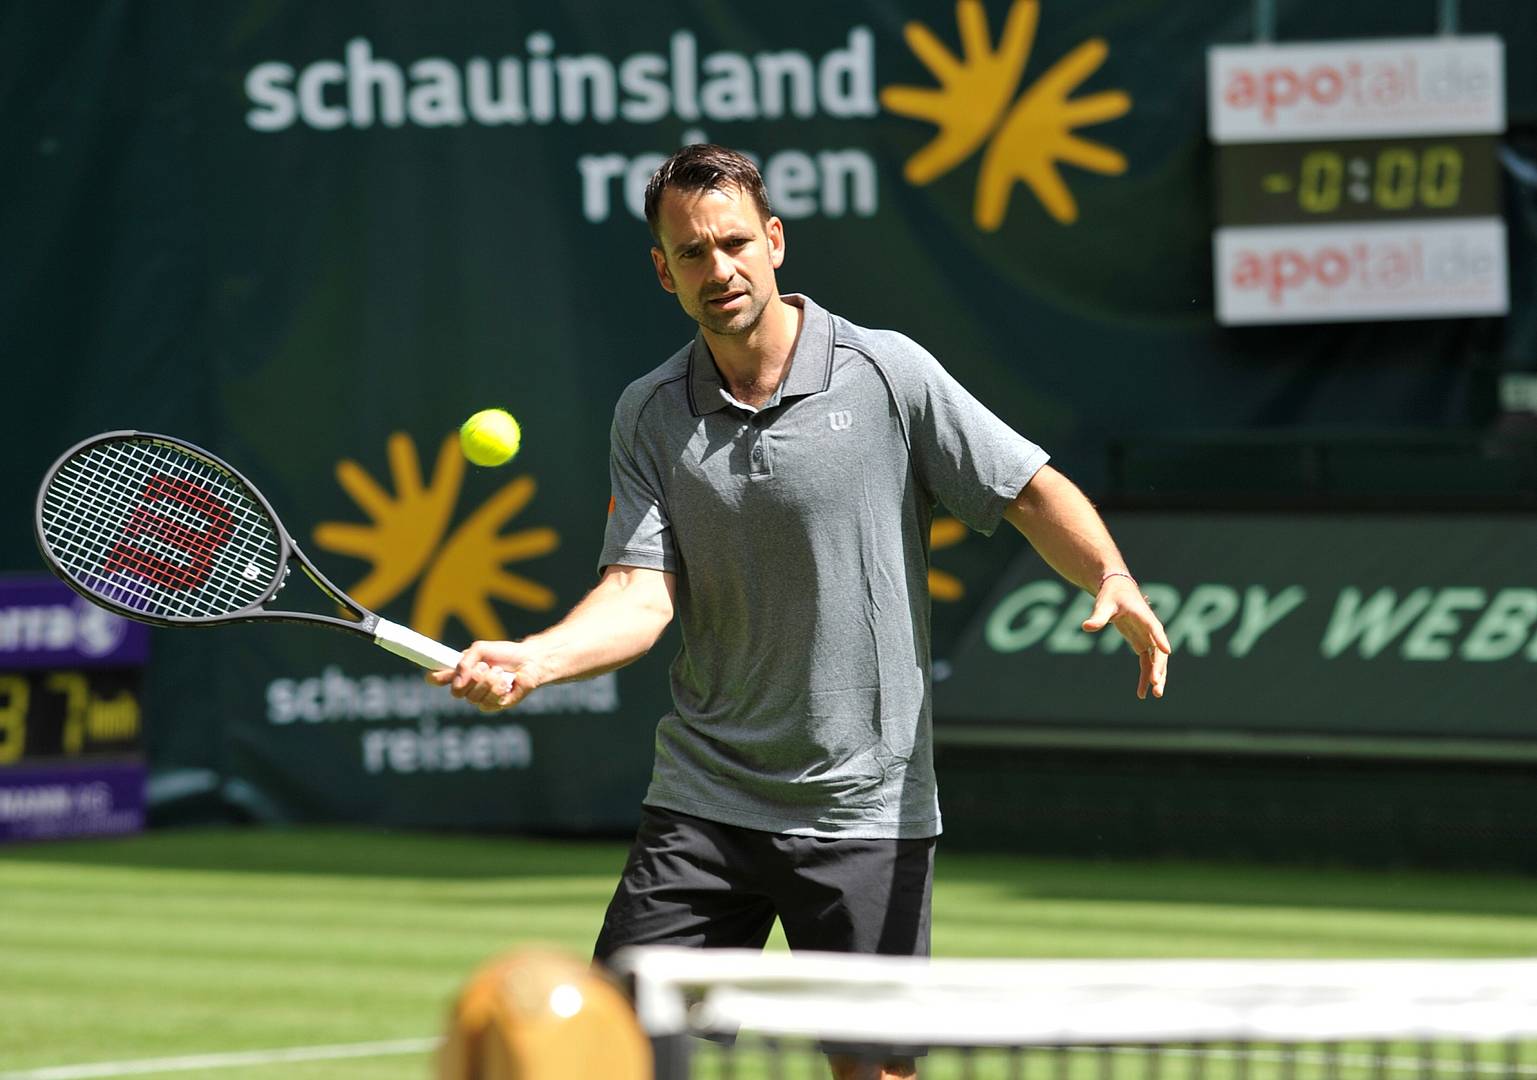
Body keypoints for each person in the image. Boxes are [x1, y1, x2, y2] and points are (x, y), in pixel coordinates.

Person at [429, 143, 1170, 1080]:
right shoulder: (648, 414)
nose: (718, 268)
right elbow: (639, 596)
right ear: (663, 271)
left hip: (864, 806)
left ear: (773, 241)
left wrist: (1108, 572)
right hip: (706, 800)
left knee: (874, 1074)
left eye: (734, 242)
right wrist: (537, 658)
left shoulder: (887, 373)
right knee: (610, 1056)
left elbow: (1024, 488)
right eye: (692, 253)